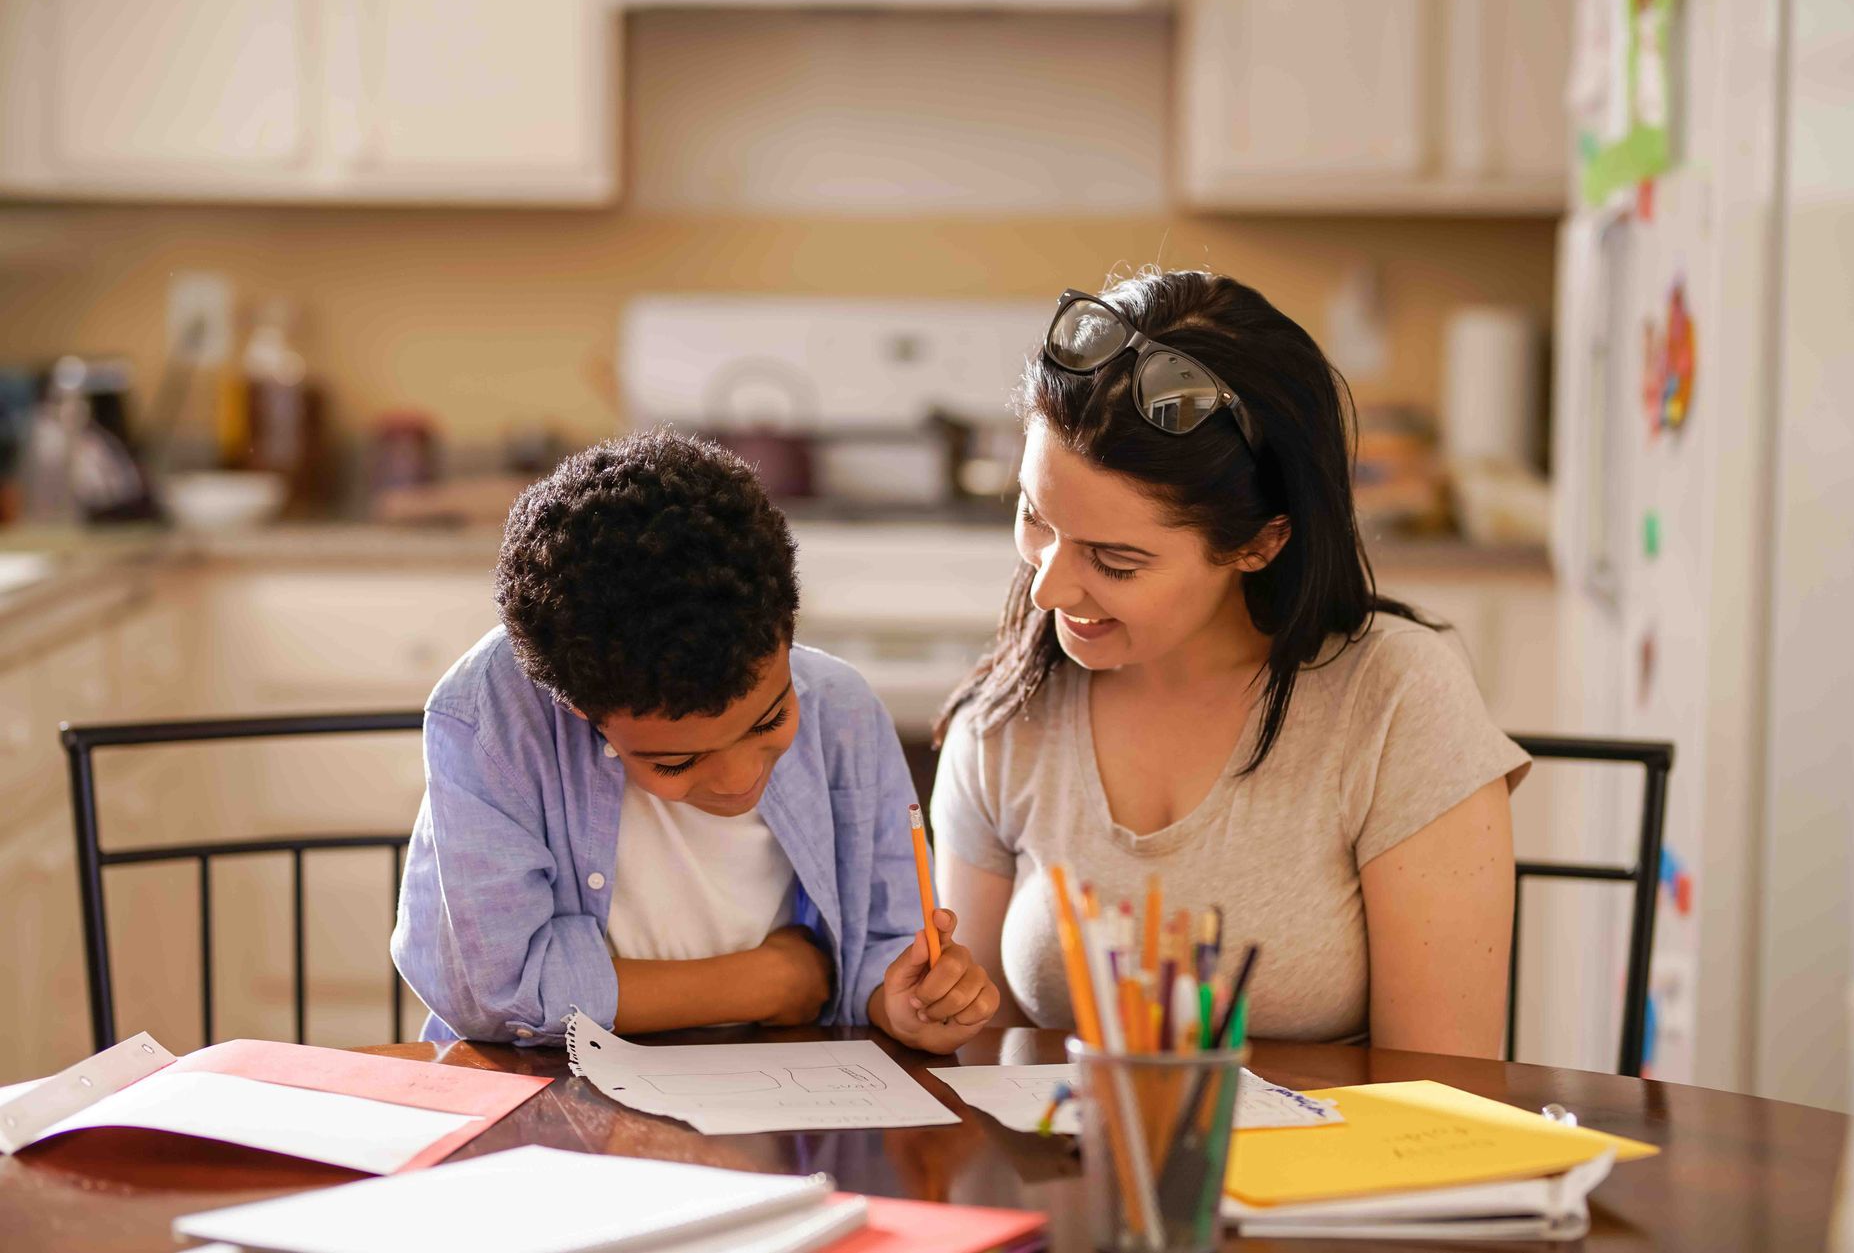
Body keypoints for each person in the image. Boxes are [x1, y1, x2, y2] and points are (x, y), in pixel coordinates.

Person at [931, 271, 1528, 1057]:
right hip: (1070, 1175)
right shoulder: (1009, 713)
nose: (1048, 586)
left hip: (1337, 1177)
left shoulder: (1397, 700)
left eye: (1115, 559)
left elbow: (1444, 1099)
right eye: (1035, 517)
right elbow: (973, 1064)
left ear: (1260, 542)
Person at [393, 431, 998, 1052]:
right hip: (548, 1093)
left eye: (769, 720)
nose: (739, 780)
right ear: (581, 709)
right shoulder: (492, 713)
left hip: (783, 1106)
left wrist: (900, 999)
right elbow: (492, 993)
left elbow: (883, 942)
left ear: (787, 632)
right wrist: (773, 982)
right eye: (676, 760)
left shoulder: (840, 710)